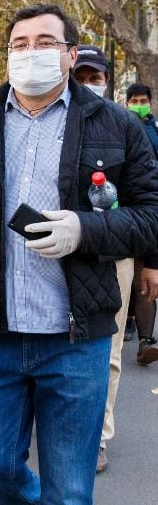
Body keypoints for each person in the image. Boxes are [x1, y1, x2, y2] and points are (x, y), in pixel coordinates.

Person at [0, 3, 158, 504]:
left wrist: (85, 230)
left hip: (76, 340)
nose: (31, 53)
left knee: (69, 491)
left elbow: (151, 216)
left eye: (45, 42)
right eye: (20, 44)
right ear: (7, 57)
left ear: (70, 56)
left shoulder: (117, 125)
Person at [71, 48, 150, 472]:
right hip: (57, 256)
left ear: (107, 79)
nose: (88, 83)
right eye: (79, 75)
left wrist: (150, 262)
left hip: (112, 257)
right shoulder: (47, 122)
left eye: (94, 76)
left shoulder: (124, 127)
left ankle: (97, 438)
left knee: (110, 352)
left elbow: (149, 200)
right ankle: (57, 425)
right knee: (54, 348)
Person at [124, 83, 158, 367]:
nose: (138, 104)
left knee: (143, 278)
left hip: (146, 214)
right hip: (118, 215)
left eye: (142, 100)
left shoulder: (155, 131)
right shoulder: (117, 127)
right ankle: (127, 323)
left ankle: (146, 341)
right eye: (133, 100)